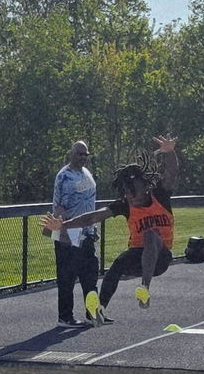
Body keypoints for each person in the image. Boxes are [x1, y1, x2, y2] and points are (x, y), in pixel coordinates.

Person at [41, 135, 179, 324]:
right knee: (116, 266)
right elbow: (93, 216)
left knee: (150, 236)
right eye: (127, 197)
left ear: (145, 188)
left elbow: (171, 173)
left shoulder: (160, 196)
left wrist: (170, 153)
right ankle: (99, 310)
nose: (132, 201)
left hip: (161, 256)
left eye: (134, 197)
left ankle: (145, 289)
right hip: (136, 256)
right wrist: (63, 225)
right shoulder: (124, 204)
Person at [48, 140, 101, 328]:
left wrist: (92, 230)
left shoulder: (86, 173)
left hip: (86, 232)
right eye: (79, 154)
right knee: (67, 276)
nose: (83, 157)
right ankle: (65, 317)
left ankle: (92, 312)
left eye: (86, 154)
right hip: (68, 233)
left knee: (90, 274)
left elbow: (89, 204)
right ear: (71, 154)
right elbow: (60, 207)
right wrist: (62, 234)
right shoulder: (64, 176)